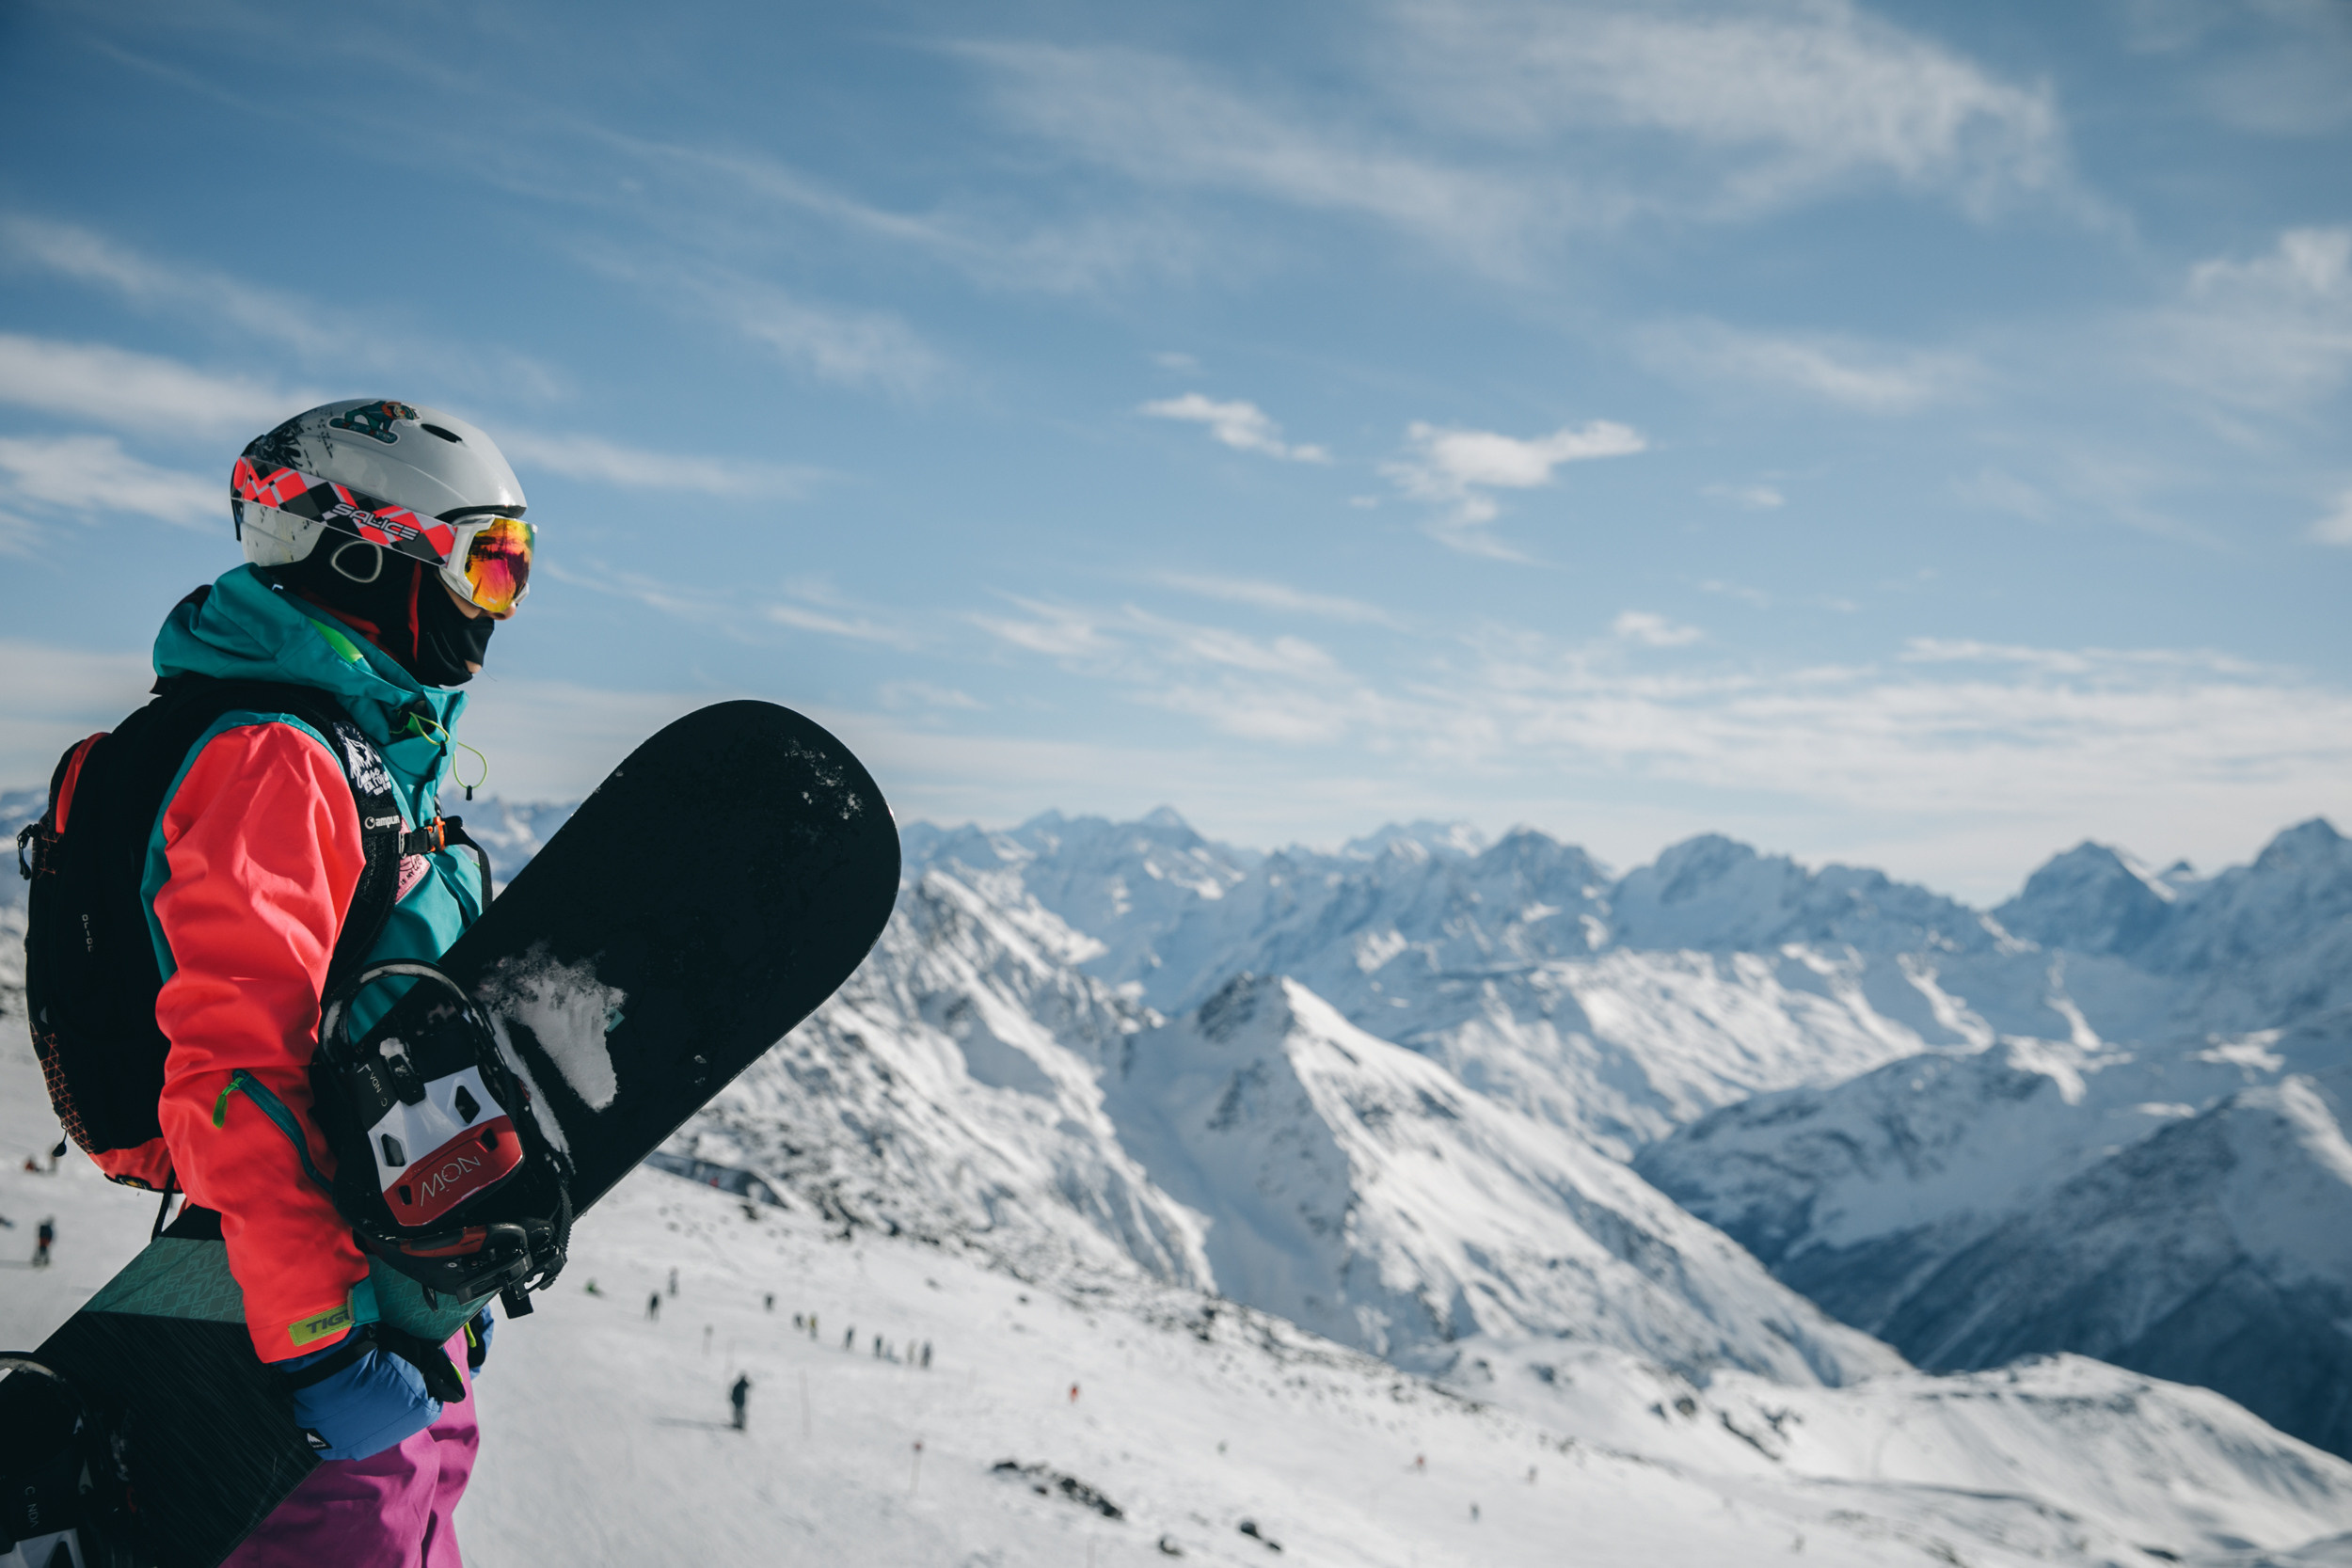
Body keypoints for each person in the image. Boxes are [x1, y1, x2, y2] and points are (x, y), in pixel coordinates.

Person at [96, 400, 536, 1566]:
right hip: (291, 1305)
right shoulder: (277, 761)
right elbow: (234, 1062)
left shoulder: (361, 756)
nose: (499, 605)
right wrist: (315, 1341)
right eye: (488, 564)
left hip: (378, 1274)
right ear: (365, 547)